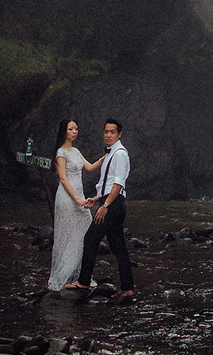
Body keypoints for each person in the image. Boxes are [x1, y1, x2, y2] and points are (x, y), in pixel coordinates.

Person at [64, 117, 134, 302]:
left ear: (119, 134)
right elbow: (108, 183)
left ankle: (84, 282)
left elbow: (118, 184)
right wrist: (96, 198)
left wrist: (104, 206)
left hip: (113, 204)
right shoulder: (112, 153)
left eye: (112, 132)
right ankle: (127, 289)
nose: (108, 135)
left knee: (91, 238)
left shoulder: (119, 153)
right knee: (118, 247)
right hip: (112, 203)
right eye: (106, 132)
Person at [47, 117, 100, 292]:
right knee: (67, 234)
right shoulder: (60, 153)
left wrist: (107, 157)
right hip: (67, 199)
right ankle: (63, 276)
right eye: (71, 129)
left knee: (86, 230)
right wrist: (77, 199)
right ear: (64, 132)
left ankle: (79, 274)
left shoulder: (76, 151)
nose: (75, 131)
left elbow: (91, 167)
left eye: (76, 128)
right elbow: (63, 179)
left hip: (80, 198)